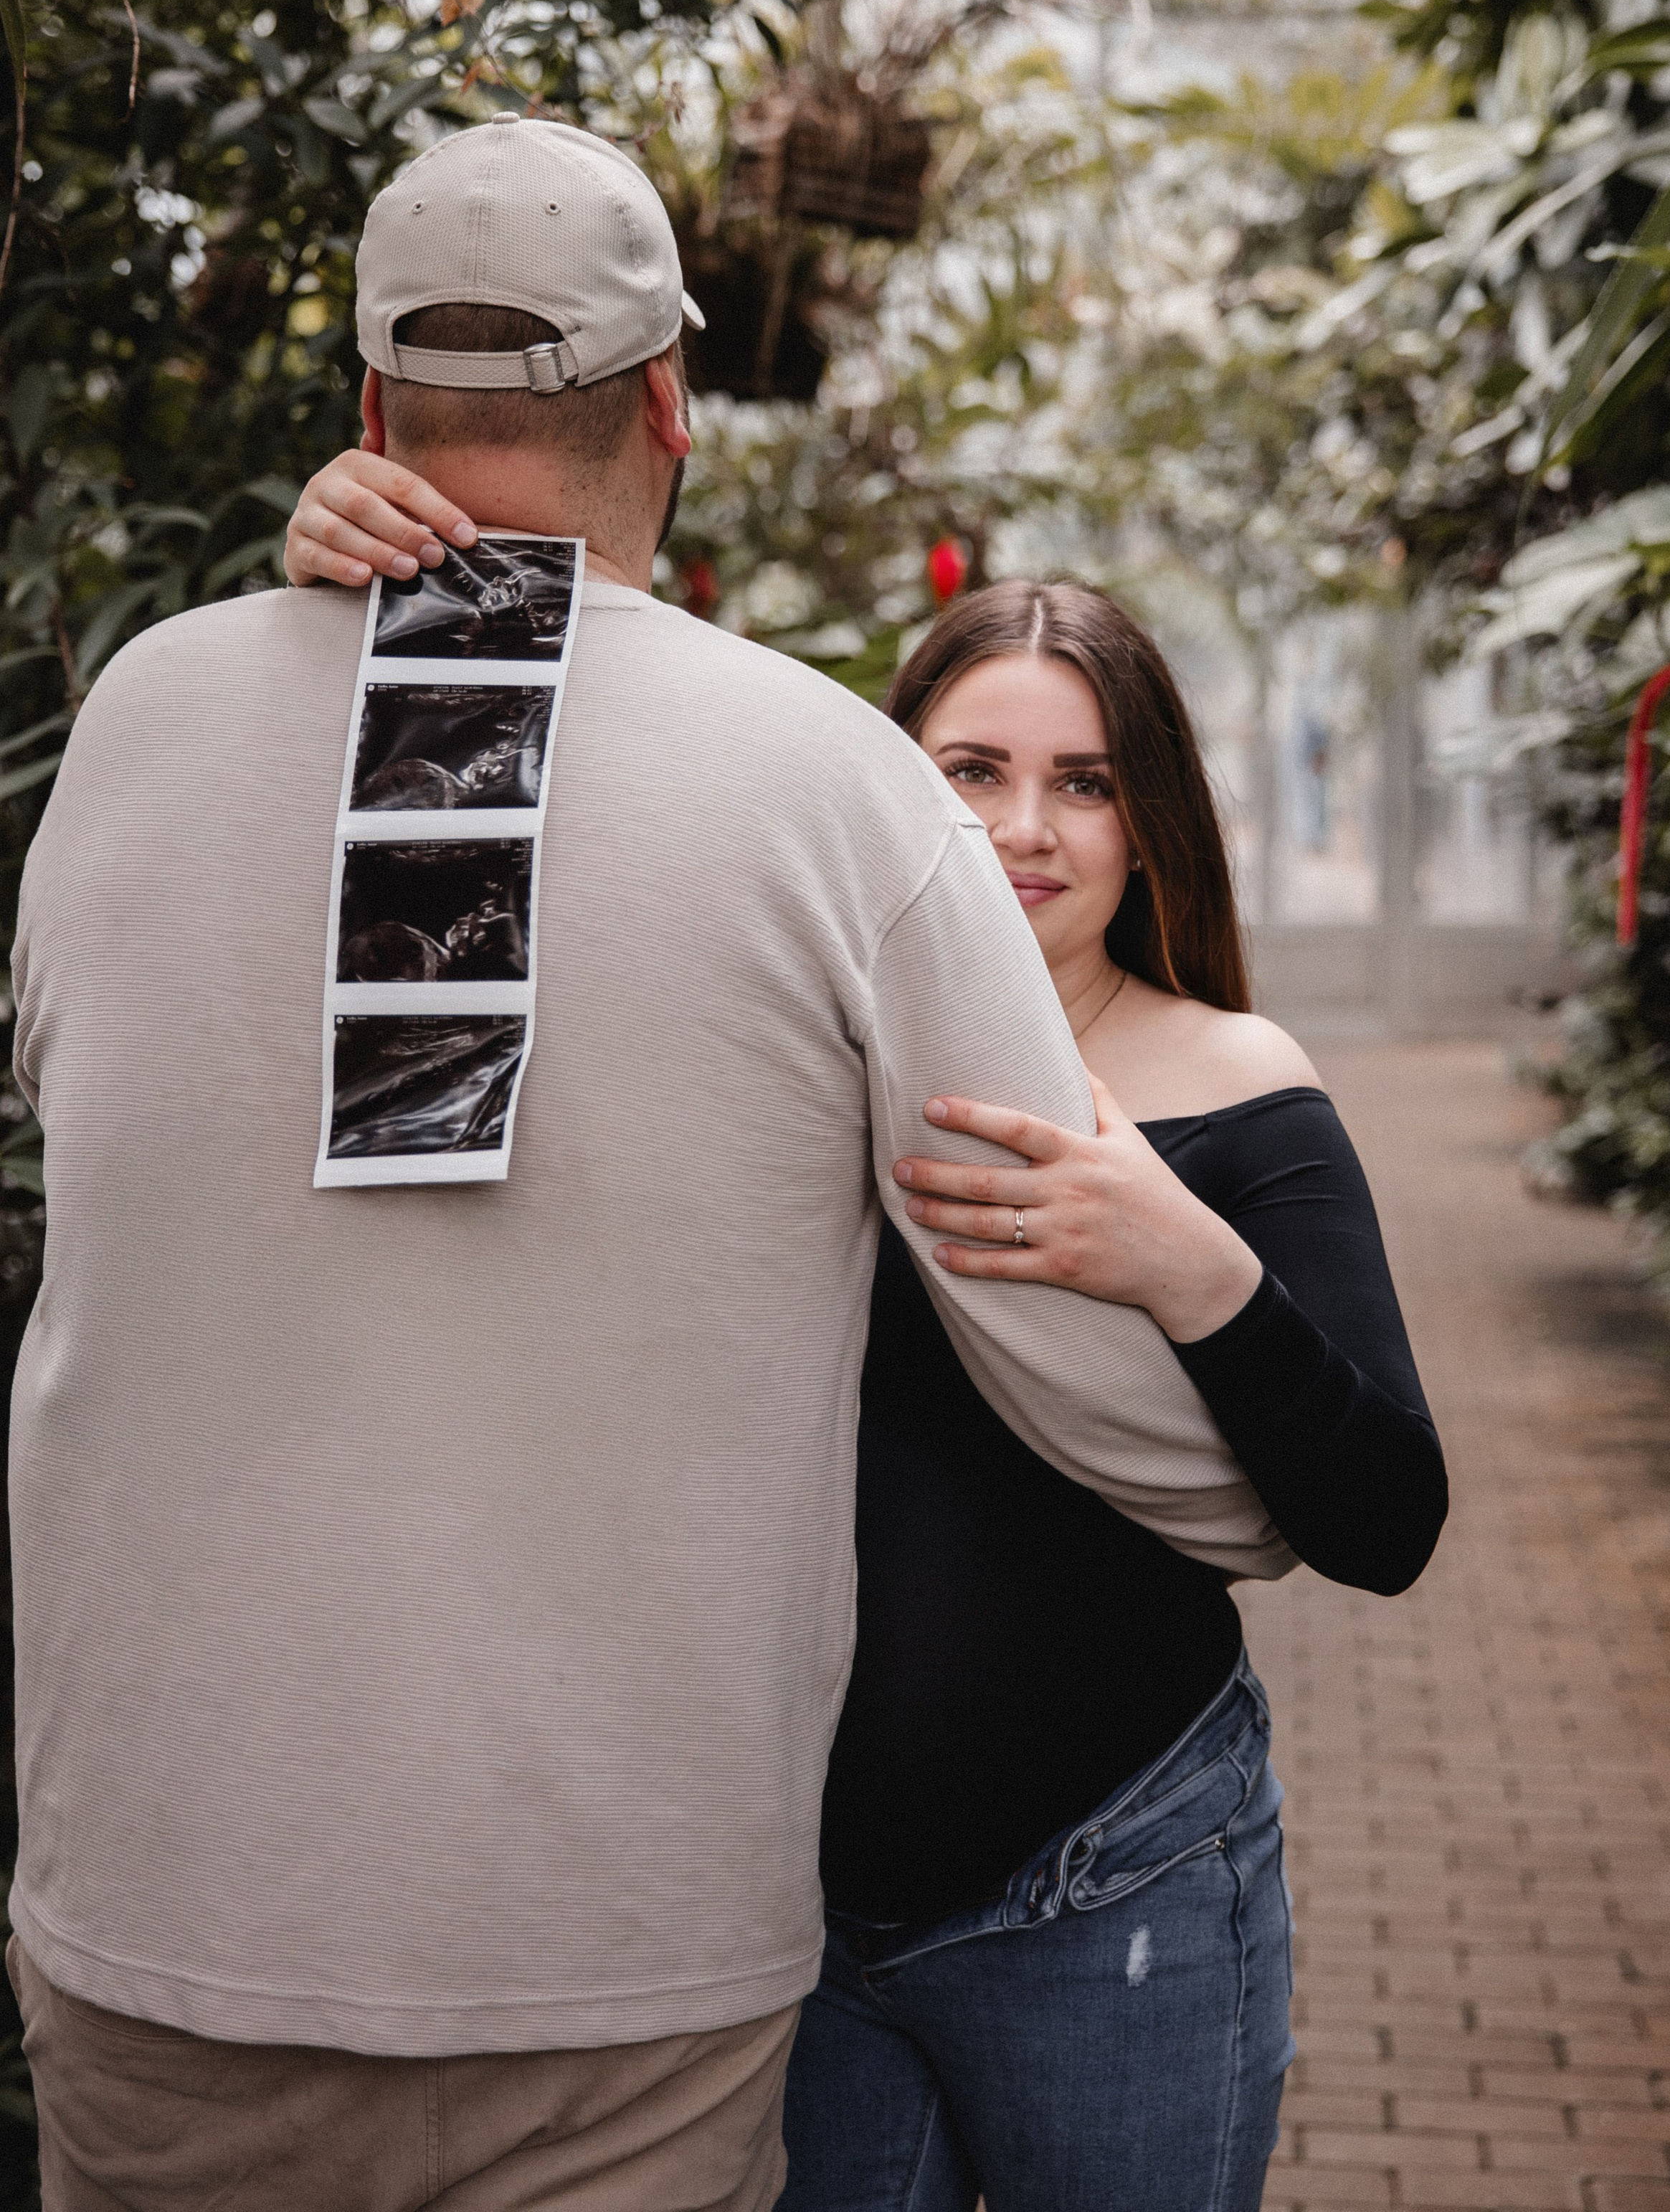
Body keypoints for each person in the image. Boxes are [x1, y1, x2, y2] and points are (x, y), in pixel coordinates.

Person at [9, 115, 1298, 2212]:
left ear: (367, 409)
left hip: (155, 1925)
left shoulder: (142, 720)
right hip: (608, 1972)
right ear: (673, 402)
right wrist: (1255, 1472)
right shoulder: (831, 789)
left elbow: (88, 1078)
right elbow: (1054, 1328)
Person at [288, 430, 1447, 2208]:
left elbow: (1387, 1521)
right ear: (882, 791)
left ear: (1149, 823)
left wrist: (1178, 1256)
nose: (1019, 830)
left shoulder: (1238, 1087)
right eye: (969, 768)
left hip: (1116, 1882)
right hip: (781, 1900)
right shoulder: (779, 1064)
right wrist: (389, 600)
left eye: (1081, 782)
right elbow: (520, 883)